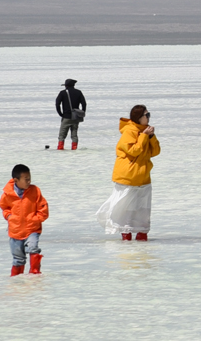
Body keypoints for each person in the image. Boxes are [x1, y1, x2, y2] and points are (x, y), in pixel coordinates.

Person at [95, 105, 160, 241]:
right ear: (139, 117)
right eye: (147, 115)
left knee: (143, 208)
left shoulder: (145, 131)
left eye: (149, 115)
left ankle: (142, 234)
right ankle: (126, 235)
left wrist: (151, 136)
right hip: (128, 176)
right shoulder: (129, 132)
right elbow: (134, 151)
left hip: (143, 176)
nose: (149, 118)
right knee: (125, 207)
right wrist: (144, 136)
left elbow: (155, 152)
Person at [0, 163, 49, 276]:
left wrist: (36, 219)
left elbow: (43, 208)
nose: (29, 181)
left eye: (29, 178)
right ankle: (16, 281)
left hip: (32, 229)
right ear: (16, 180)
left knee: (33, 248)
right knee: (18, 259)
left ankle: (35, 275)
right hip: (15, 231)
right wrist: (9, 216)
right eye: (26, 179)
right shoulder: (7, 194)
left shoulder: (35, 191)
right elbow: (4, 207)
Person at [54, 78, 87, 151]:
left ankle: (60, 149)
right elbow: (84, 104)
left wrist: (60, 113)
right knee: (74, 135)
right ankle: (74, 149)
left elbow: (57, 104)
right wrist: (82, 113)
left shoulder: (62, 93)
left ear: (66, 86)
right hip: (76, 117)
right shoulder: (78, 92)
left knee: (62, 135)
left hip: (66, 117)